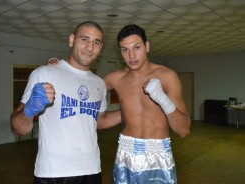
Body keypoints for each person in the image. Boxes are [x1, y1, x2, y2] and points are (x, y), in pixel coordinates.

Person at [10, 21, 120, 184]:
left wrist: (129, 110)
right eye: (84, 39)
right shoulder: (45, 73)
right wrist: (29, 111)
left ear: (100, 48)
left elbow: (99, 121)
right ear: (71, 40)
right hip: (53, 172)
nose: (90, 47)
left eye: (96, 42)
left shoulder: (99, 84)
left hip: (91, 170)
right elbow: (17, 128)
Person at [101, 24, 191, 184]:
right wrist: (61, 71)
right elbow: (84, 88)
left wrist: (163, 99)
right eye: (125, 50)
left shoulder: (167, 76)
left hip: (158, 157)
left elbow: (183, 130)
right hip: (125, 154)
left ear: (147, 46)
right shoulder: (115, 78)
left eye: (137, 47)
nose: (131, 55)